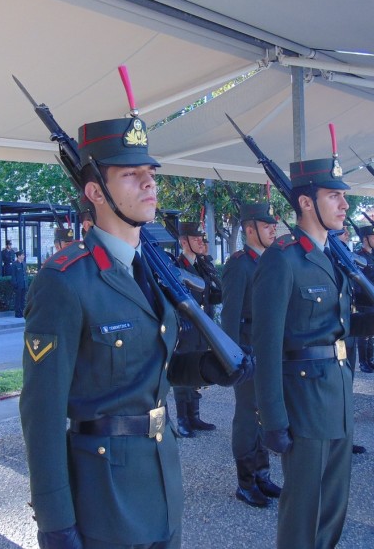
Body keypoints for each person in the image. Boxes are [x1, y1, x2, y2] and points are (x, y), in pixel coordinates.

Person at [19, 109, 249, 548]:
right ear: (95, 191)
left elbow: (146, 366)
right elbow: (41, 413)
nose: (149, 183)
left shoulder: (150, 269)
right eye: (131, 174)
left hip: (160, 477)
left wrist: (204, 368)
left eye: (150, 173)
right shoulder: (65, 280)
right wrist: (55, 520)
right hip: (103, 492)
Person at [252, 155, 374, 549]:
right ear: (306, 202)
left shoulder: (332, 254)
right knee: (304, 509)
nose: (345, 205)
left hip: (336, 392)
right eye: (334, 196)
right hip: (303, 400)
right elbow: (265, 347)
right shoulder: (282, 260)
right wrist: (273, 419)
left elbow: (335, 329)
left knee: (334, 503)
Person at [220, 202, 281, 508]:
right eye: (266, 224)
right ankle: (246, 482)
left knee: (264, 414)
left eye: (273, 224)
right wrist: (233, 358)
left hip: (268, 351)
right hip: (247, 352)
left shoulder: (270, 262)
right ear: (249, 229)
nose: (273, 229)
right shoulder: (239, 265)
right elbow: (229, 317)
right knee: (247, 417)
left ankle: (263, 474)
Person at [172, 221, 222, 436]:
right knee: (184, 372)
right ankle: (183, 420)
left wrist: (208, 263)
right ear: (184, 242)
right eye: (195, 239)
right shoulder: (176, 266)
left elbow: (216, 295)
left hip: (202, 328)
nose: (201, 242)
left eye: (201, 239)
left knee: (196, 370)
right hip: (186, 328)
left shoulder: (202, 265)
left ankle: (195, 417)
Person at [354, 226, 374, 373]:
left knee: (372, 330)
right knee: (364, 333)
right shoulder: (359, 256)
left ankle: (371, 359)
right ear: (365, 239)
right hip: (365, 298)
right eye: (373, 237)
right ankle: (363, 362)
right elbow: (358, 280)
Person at [11, 250, 27, 318]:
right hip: (18, 285)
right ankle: (17, 313)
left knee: (23, 299)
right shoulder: (14, 264)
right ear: (18, 256)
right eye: (22, 255)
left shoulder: (24, 263)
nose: (23, 256)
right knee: (17, 299)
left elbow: (25, 274)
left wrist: (26, 283)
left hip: (24, 284)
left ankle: (23, 312)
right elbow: (13, 275)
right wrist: (15, 283)